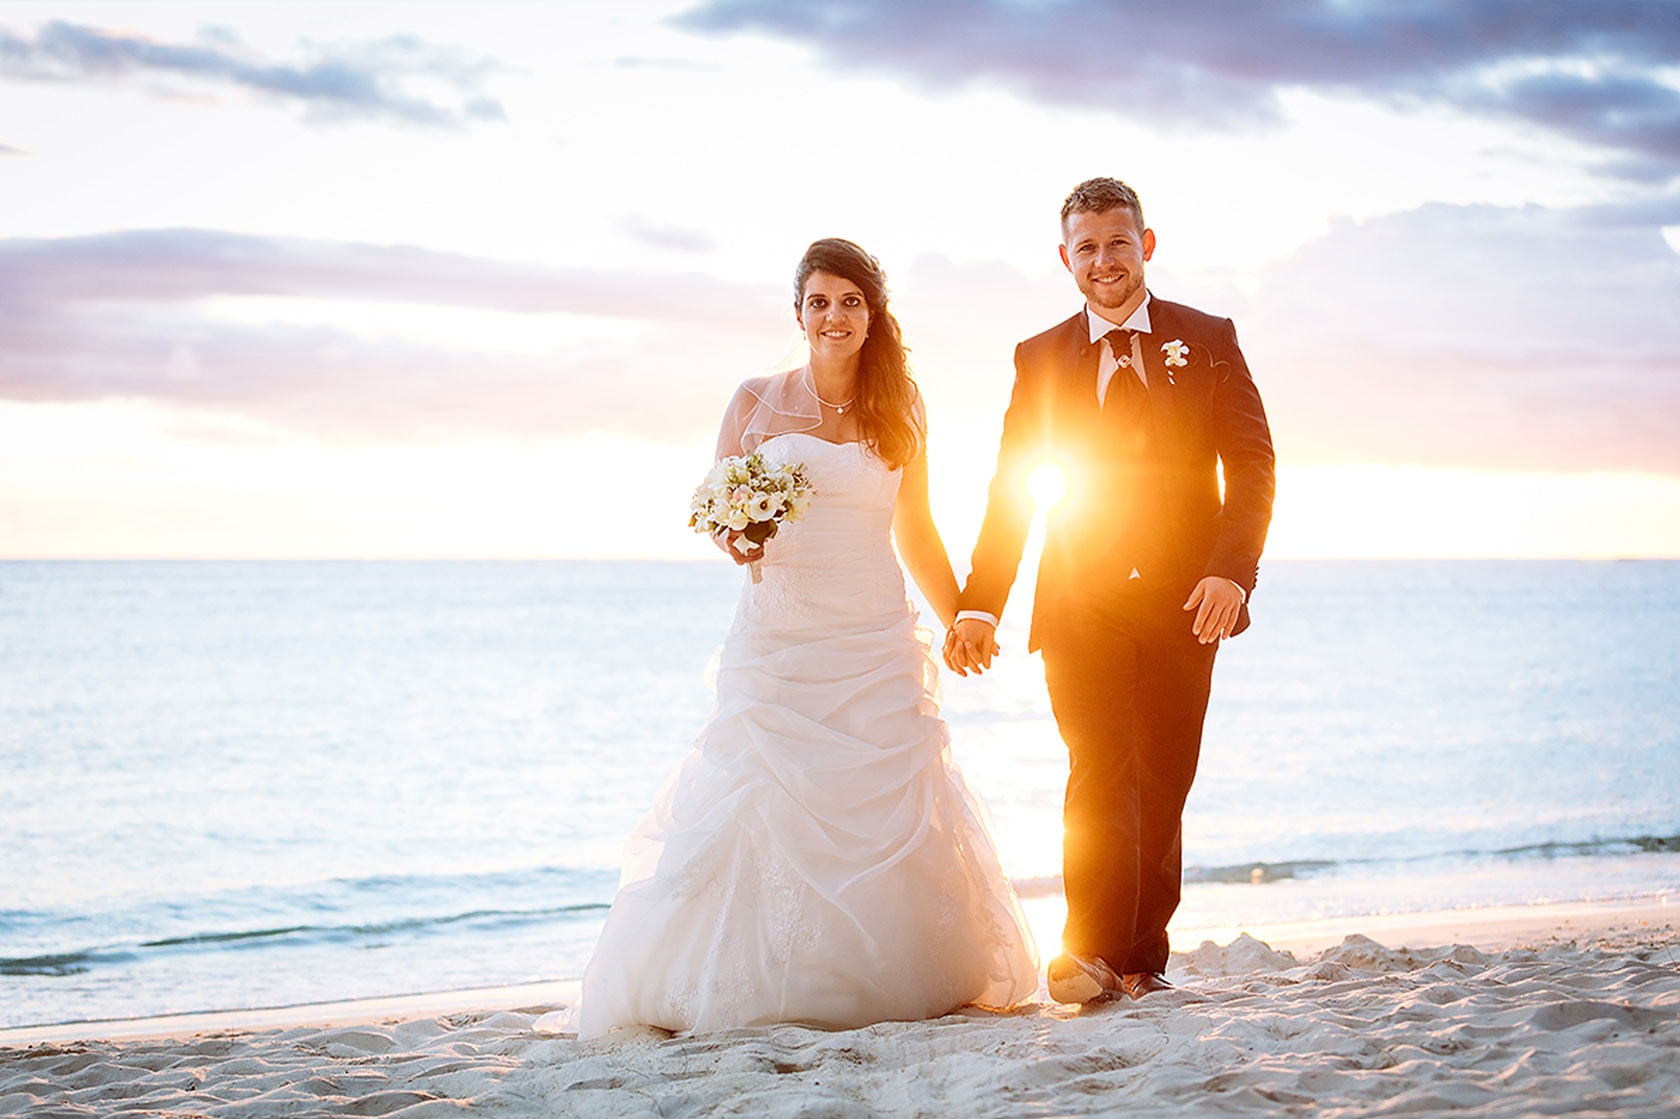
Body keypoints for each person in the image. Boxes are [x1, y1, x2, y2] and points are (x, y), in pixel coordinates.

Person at [568, 238, 1037, 1038]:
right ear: (798, 313)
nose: (835, 316)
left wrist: (963, 613)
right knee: (760, 791)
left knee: (884, 794)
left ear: (872, 313)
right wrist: (738, 537)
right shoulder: (754, 401)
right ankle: (745, 975)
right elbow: (718, 512)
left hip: (873, 632)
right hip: (779, 636)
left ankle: (890, 970)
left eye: (851, 300)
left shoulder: (904, 404)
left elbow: (914, 527)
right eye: (820, 301)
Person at [945, 178, 1275, 1003]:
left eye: (1117, 243)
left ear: (1147, 245)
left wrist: (1230, 573)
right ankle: (1087, 951)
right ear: (1065, 258)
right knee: (1099, 762)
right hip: (1079, 598)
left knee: (1163, 777)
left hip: (1186, 601)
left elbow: (1254, 465)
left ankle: (1139, 960)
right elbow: (1014, 485)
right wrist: (982, 601)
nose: (1103, 261)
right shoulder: (1041, 356)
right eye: (1086, 248)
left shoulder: (1208, 339)